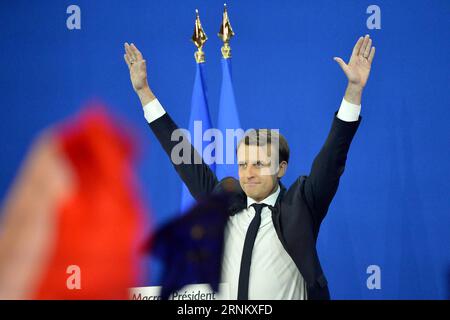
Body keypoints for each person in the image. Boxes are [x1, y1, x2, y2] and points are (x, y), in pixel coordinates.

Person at [123, 34, 375, 300]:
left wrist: (354, 90)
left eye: (259, 164)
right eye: (242, 164)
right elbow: (182, 155)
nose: (248, 172)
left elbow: (332, 157)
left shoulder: (302, 205)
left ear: (281, 168)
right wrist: (144, 93)